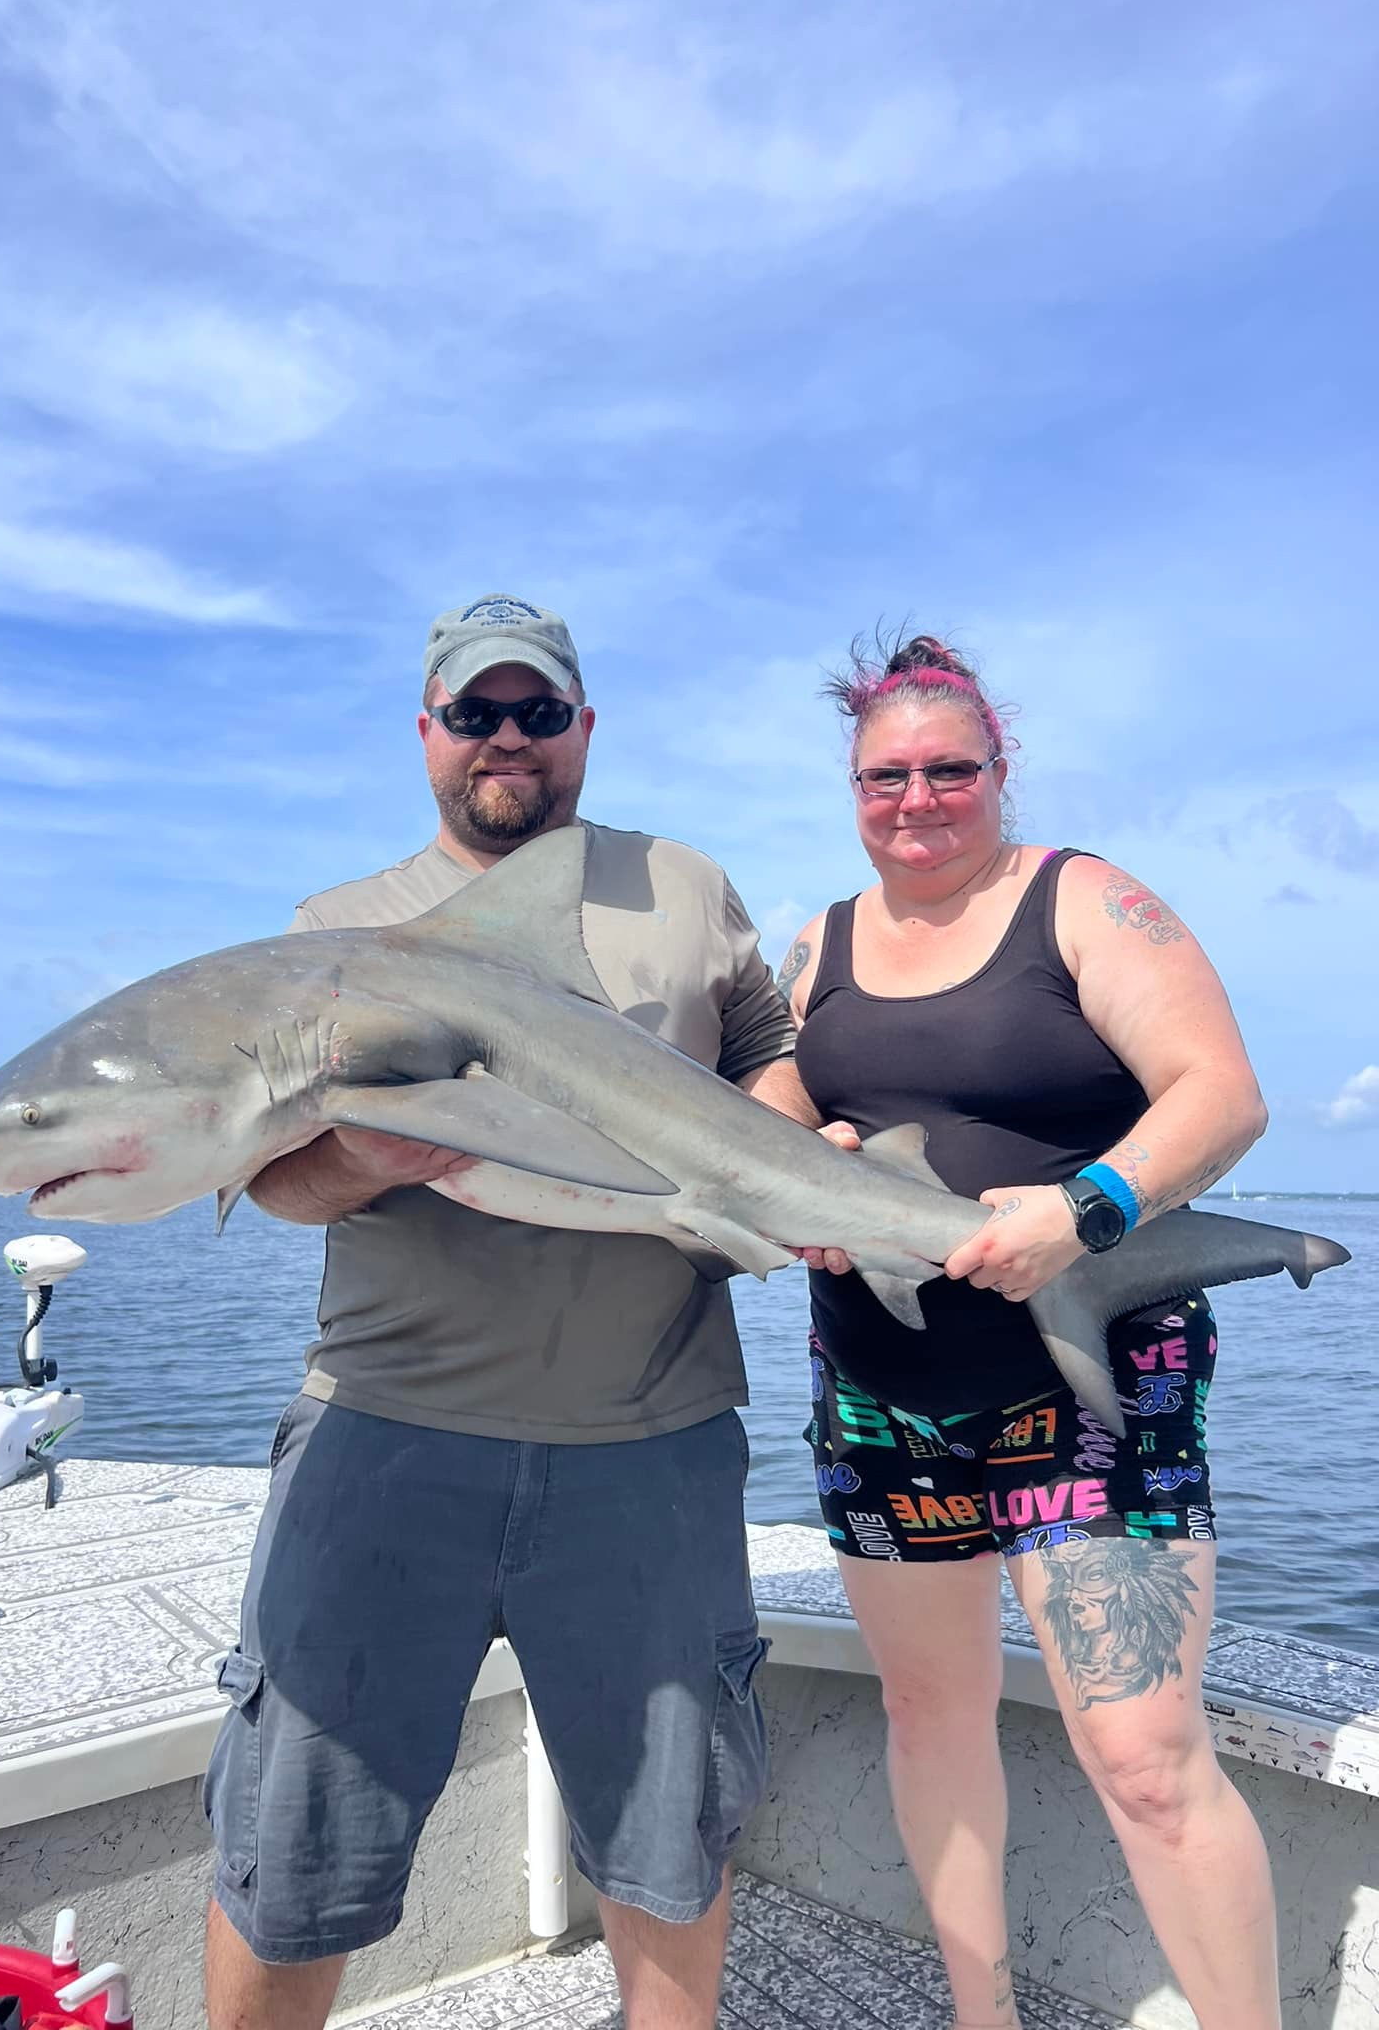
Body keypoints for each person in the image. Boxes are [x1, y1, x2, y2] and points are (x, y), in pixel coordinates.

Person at [202, 594, 821, 2030]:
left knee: (669, 1856)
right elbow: (275, 1185)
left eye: (538, 712)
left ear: (584, 728)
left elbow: (768, 1050)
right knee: (288, 1855)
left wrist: (792, 1152)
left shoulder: (679, 882)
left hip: (651, 1440)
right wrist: (365, 1152)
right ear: (425, 731)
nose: (508, 740)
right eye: (475, 713)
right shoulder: (334, 932)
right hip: (385, 1433)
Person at [780, 633, 1275, 2030]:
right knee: (929, 1722)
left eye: (952, 770)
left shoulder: (1087, 902)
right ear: (852, 783)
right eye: (889, 775)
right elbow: (765, 1091)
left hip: (1098, 1387)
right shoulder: (816, 941)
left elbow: (1222, 1096)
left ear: (1001, 772)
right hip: (881, 1389)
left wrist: (1088, 1208)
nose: (918, 798)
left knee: (1144, 1758)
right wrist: (795, 1154)